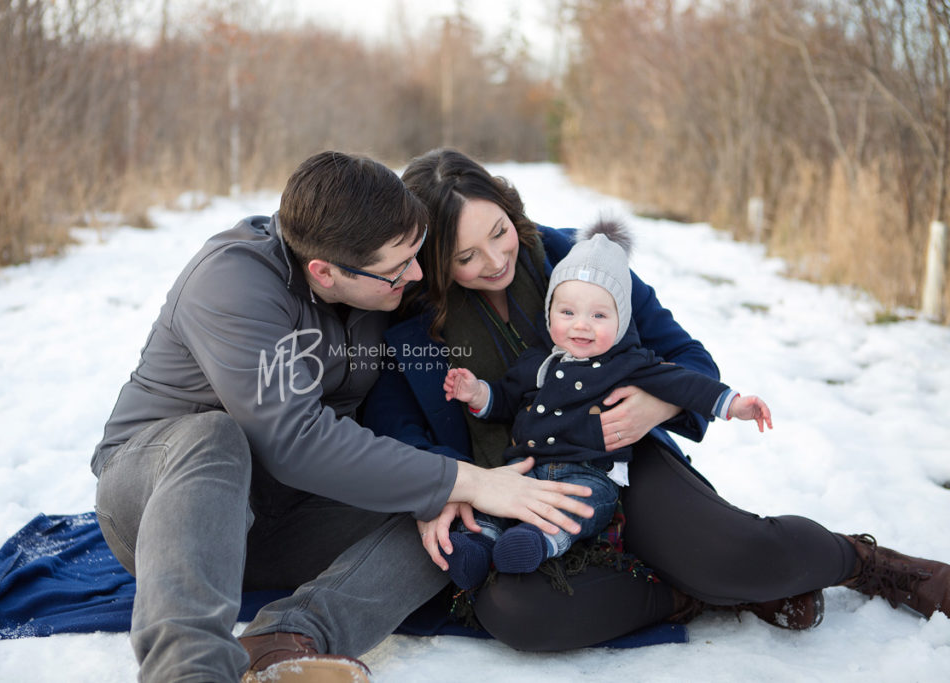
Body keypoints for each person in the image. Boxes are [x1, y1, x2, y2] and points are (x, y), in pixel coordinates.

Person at [361, 147, 950, 652]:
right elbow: (395, 424)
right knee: (518, 612)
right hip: (508, 493)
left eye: (499, 232)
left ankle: (862, 562)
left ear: (511, 211)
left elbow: (690, 360)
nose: (495, 260)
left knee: (737, 556)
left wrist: (657, 404)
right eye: (466, 257)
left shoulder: (582, 262)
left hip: (620, 462)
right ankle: (683, 592)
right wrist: (443, 488)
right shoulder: (409, 319)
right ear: (435, 260)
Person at [90, 151, 597, 682]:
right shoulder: (232, 284)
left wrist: (584, 261)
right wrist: (467, 479)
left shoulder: (376, 276)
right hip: (160, 505)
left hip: (285, 515)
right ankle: (190, 671)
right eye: (399, 268)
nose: (418, 274)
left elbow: (507, 241)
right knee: (213, 436)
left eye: (416, 253)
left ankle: (284, 642)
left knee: (445, 518)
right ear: (324, 272)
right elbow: (293, 441)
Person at [439, 221, 772, 590]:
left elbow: (685, 384)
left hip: (589, 473)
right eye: (567, 313)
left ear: (621, 319)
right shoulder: (538, 363)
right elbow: (504, 399)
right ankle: (477, 545)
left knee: (580, 509)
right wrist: (476, 393)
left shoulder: (629, 363)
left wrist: (733, 404)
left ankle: (540, 542)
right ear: (549, 313)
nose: (581, 326)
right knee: (495, 505)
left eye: (599, 316)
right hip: (527, 468)